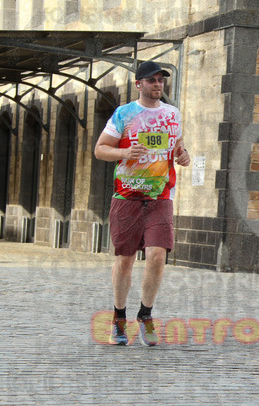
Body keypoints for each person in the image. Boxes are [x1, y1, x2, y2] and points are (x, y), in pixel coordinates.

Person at [94, 60, 190, 346]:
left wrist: (183, 155)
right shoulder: (124, 113)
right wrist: (124, 152)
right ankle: (119, 318)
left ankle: (145, 315)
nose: (158, 84)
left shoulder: (172, 114)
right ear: (139, 84)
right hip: (127, 197)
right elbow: (100, 149)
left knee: (157, 255)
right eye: (151, 80)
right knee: (125, 259)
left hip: (160, 196)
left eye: (161, 80)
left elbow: (177, 147)